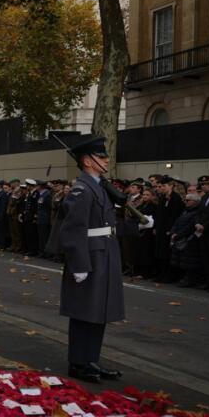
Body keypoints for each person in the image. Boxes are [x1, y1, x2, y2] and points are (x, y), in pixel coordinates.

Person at [58, 136, 126, 384]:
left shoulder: (98, 185)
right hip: (90, 256)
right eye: (102, 156)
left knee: (99, 310)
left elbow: (106, 223)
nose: (107, 160)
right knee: (84, 311)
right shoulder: (83, 189)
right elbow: (73, 229)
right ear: (88, 161)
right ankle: (78, 362)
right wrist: (79, 264)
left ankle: (90, 359)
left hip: (104, 252)